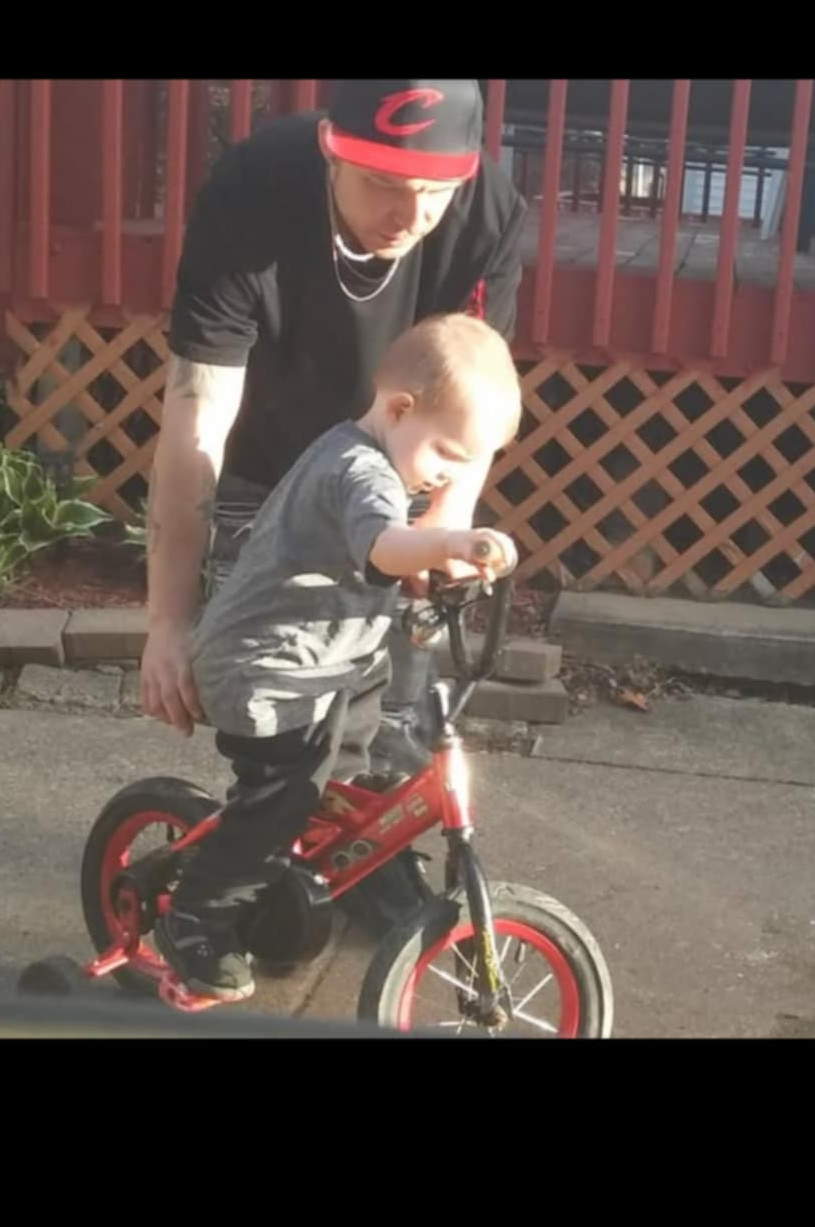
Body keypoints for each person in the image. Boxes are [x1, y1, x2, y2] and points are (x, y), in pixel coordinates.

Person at [141, 79, 528, 774]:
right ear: (331, 148)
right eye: (382, 183)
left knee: (395, 735)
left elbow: (467, 395)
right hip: (263, 479)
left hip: (396, 472)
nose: (410, 214)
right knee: (284, 737)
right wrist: (168, 620)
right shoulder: (254, 189)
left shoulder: (487, 212)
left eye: (434, 190)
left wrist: (445, 520)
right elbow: (198, 411)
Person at [153, 315, 522, 1000]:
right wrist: (449, 542)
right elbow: (385, 545)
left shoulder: (381, 456)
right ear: (399, 410)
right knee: (279, 802)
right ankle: (198, 918)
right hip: (267, 671)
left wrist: (445, 563)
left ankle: (299, 873)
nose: (448, 476)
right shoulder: (359, 470)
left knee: (351, 759)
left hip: (329, 661)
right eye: (446, 454)